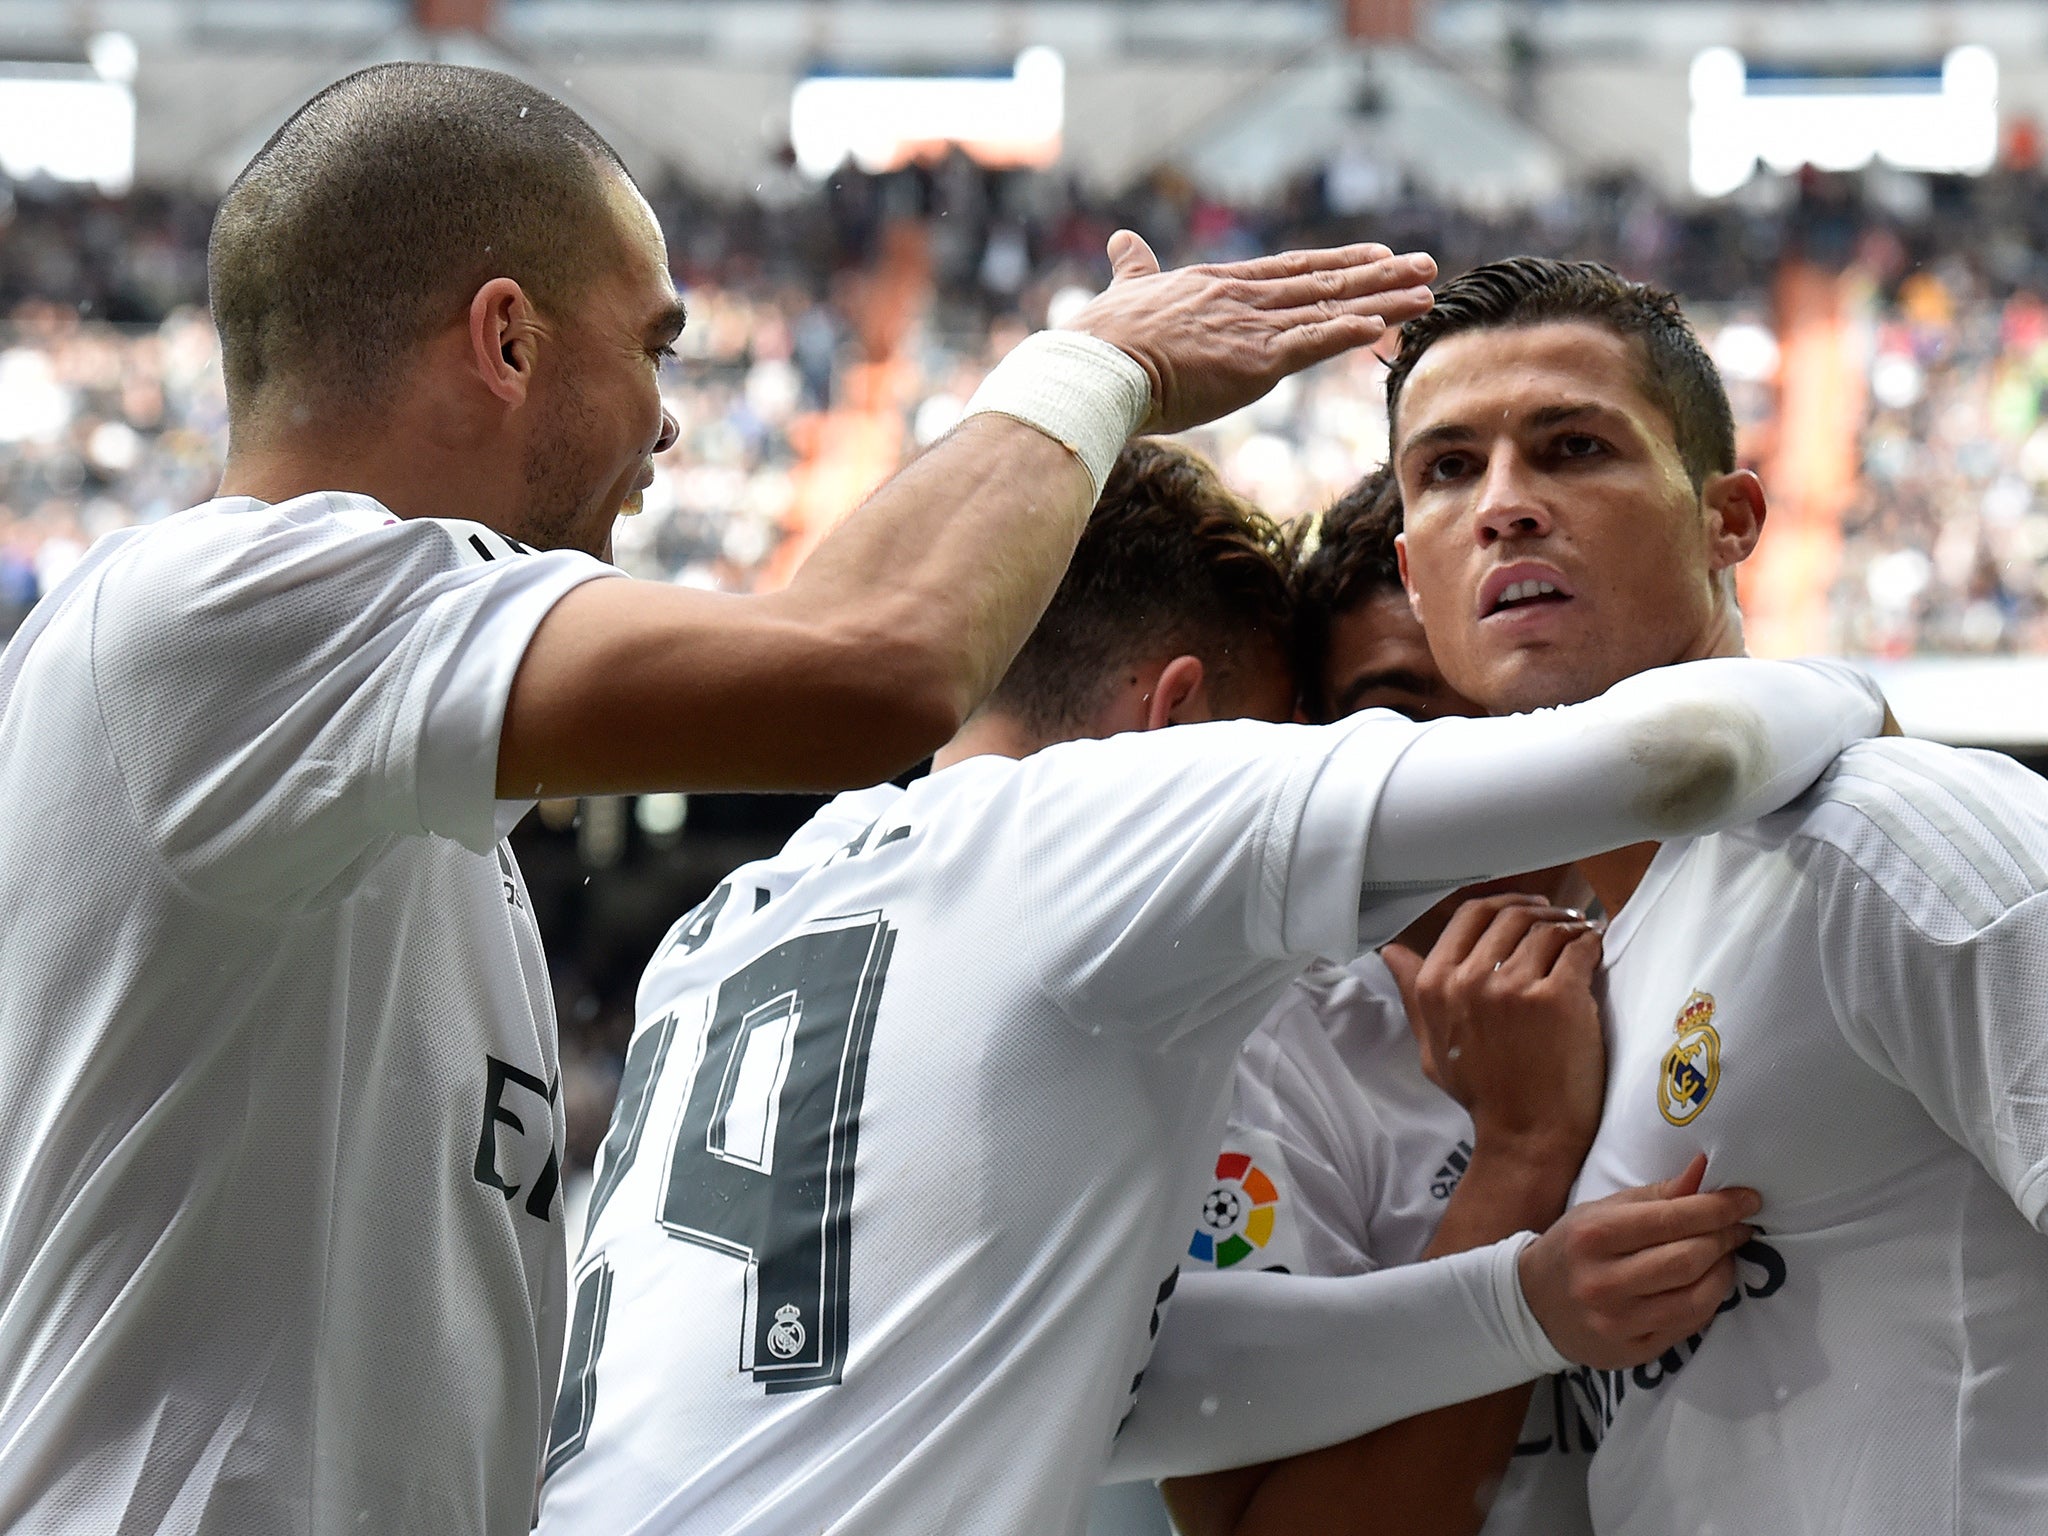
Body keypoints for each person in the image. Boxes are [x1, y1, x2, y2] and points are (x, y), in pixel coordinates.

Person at [0, 62, 1447, 1536]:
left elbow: (821, 635)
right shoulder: (232, 605)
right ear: (507, 342)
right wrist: (1099, 370)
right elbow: (872, 667)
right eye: (655, 351)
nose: (669, 430)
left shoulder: (365, 759)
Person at [539, 436, 1882, 1536]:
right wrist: (1863, 715)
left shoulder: (733, 924)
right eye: (1338, 730)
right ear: (1179, 725)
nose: (1458, 748)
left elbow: (1119, 1373)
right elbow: (1696, 745)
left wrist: (1517, 1301)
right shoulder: (1104, 851)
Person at [1387, 256, 2048, 1534]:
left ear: (1729, 521)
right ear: (1414, 577)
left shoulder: (1887, 839)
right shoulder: (1591, 968)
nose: (1505, 506)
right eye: (1448, 469)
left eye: (1571, 447)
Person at [1162, 469, 1602, 1536]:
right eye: (1400, 715)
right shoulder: (1251, 1050)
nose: (1462, 771)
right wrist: (1518, 1154)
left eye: (1506, 703)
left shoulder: (1699, 935)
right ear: (1315, 736)